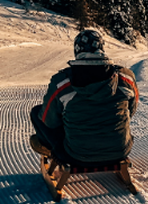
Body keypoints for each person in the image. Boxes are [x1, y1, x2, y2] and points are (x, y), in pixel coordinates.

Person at [29, 29, 139, 164]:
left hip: (76, 155)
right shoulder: (126, 77)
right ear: (101, 48)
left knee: (37, 112)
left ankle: (51, 150)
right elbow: (131, 110)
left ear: (77, 51)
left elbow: (49, 121)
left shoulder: (62, 82)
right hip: (121, 151)